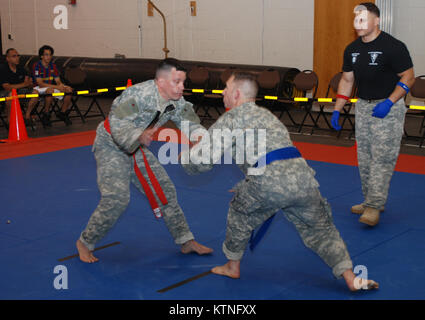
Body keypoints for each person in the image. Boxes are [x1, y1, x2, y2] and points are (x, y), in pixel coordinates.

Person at [180, 72, 378, 292]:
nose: (223, 92)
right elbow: (269, 154)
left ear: (236, 94)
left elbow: (202, 162)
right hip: (303, 179)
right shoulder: (268, 116)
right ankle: (351, 278)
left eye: (226, 88)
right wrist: (248, 183)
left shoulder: (231, 119)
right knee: (322, 230)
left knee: (239, 212)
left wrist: (185, 157)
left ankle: (231, 265)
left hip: (268, 183)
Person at [76, 58, 213, 263]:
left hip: (138, 148)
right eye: (177, 82)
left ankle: (185, 241)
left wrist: (199, 138)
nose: (182, 87)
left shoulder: (177, 101)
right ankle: (85, 242)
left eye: (183, 82)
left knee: (165, 191)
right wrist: (137, 135)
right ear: (161, 81)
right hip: (111, 146)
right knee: (117, 199)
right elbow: (116, 122)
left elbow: (190, 122)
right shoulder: (137, 95)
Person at [331, 2, 415, 226]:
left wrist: (389, 102)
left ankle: (374, 206)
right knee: (364, 157)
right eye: (356, 18)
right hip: (364, 107)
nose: (358, 22)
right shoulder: (352, 49)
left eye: (363, 18)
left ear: (376, 21)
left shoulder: (393, 46)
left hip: (388, 107)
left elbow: (408, 77)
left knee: (382, 158)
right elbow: (347, 80)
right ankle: (371, 200)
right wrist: (338, 109)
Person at [28, 45, 73, 126]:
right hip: (38, 88)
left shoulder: (53, 65)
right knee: (50, 90)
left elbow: (58, 81)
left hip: (50, 86)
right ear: (41, 56)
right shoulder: (36, 66)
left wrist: (62, 86)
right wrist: (57, 87)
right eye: (46, 55)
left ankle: (62, 113)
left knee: (69, 90)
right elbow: (40, 84)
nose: (48, 57)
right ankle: (46, 113)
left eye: (50, 55)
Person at [0, 48, 39, 125]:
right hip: (3, 92)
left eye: (18, 56)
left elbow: (28, 83)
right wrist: (24, 84)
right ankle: (9, 120)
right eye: (14, 56)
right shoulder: (2, 69)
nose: (17, 58)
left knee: (35, 92)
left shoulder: (21, 68)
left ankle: (27, 116)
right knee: (11, 95)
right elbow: (7, 87)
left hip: (19, 91)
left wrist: (29, 83)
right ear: (8, 58)